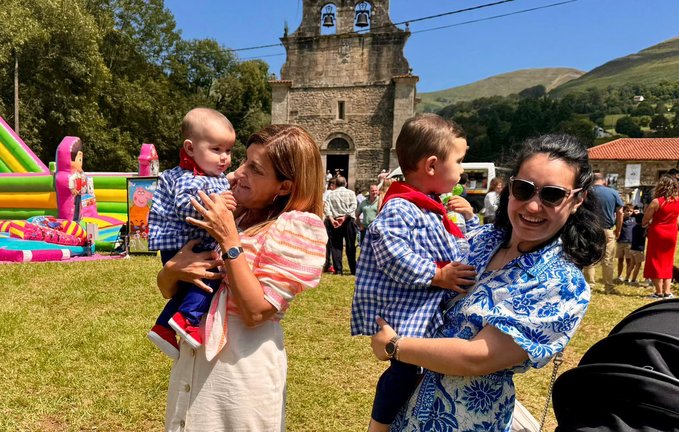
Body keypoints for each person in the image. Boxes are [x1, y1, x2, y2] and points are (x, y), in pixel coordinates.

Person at [370, 134, 605, 432]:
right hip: (405, 410)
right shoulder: (480, 240)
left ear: (577, 200)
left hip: (467, 422)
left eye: (552, 195)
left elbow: (476, 358)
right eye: (524, 189)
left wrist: (395, 346)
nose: (533, 206)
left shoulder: (561, 283)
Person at [157, 124, 328, 431]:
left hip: (239, 374)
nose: (238, 171)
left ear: (285, 187)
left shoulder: (298, 227)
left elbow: (256, 311)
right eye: (244, 160)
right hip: (192, 362)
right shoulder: (232, 212)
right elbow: (169, 290)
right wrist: (172, 270)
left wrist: (228, 239)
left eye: (255, 168)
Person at [351, 113, 478, 432]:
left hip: (425, 310)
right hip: (407, 312)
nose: (462, 170)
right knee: (406, 369)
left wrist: (470, 220)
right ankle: (379, 425)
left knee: (423, 370)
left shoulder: (431, 206)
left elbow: (458, 247)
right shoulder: (401, 208)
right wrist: (437, 275)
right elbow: (390, 251)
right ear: (432, 166)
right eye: (459, 161)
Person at [147, 108, 236, 359]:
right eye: (216, 149)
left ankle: (164, 327)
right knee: (211, 276)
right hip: (185, 245)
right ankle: (188, 321)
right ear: (190, 148)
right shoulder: (189, 176)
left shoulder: (209, 175)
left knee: (189, 288)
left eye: (228, 151)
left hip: (188, 245)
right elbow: (188, 207)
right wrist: (218, 204)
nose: (224, 158)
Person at [583, 172, 624, 294]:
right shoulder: (613, 192)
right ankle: (608, 287)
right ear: (604, 181)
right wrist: (618, 228)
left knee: (589, 258)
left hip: (590, 228)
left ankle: (589, 285)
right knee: (607, 260)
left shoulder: (587, 192)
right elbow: (620, 212)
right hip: (607, 229)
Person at [642, 174, 679, 299]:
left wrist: (649, 223)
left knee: (656, 261)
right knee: (668, 261)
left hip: (658, 233)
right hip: (672, 233)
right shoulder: (678, 201)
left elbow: (645, 220)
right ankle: (667, 291)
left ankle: (658, 292)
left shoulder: (656, 202)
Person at [324, 175, 358, 275]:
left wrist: (331, 219)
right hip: (348, 221)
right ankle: (353, 269)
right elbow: (354, 205)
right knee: (350, 245)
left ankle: (338, 270)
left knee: (336, 246)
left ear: (336, 184)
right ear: (346, 183)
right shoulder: (351, 193)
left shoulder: (331, 194)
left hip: (335, 221)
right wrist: (345, 216)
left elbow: (326, 208)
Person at [615, 203, 635, 283]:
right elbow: (615, 222)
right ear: (623, 211)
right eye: (627, 211)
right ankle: (619, 276)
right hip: (620, 242)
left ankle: (628, 276)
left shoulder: (634, 219)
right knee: (620, 260)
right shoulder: (620, 218)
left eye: (631, 211)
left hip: (629, 243)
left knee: (628, 260)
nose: (629, 213)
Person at [322, 178, 337, 273]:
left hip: (329, 219)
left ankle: (328, 263)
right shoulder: (328, 193)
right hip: (328, 220)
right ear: (332, 186)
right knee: (329, 244)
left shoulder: (328, 193)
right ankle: (327, 264)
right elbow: (324, 204)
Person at [628, 212, 646, 286]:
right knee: (638, 266)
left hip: (632, 248)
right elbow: (645, 235)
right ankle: (633, 280)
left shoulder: (634, 227)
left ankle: (626, 278)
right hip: (639, 250)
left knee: (632, 264)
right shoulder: (642, 229)